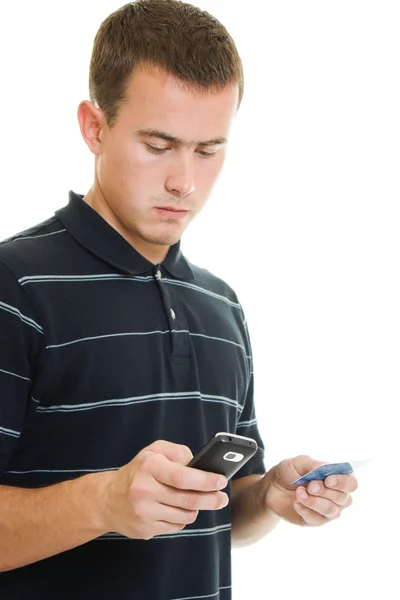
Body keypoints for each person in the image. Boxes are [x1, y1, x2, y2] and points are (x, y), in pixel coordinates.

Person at [0, 1, 357, 598]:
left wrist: (267, 497)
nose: (185, 183)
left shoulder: (220, 305)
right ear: (94, 127)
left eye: (208, 149)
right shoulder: (13, 286)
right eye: (160, 145)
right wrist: (103, 503)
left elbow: (218, 516)